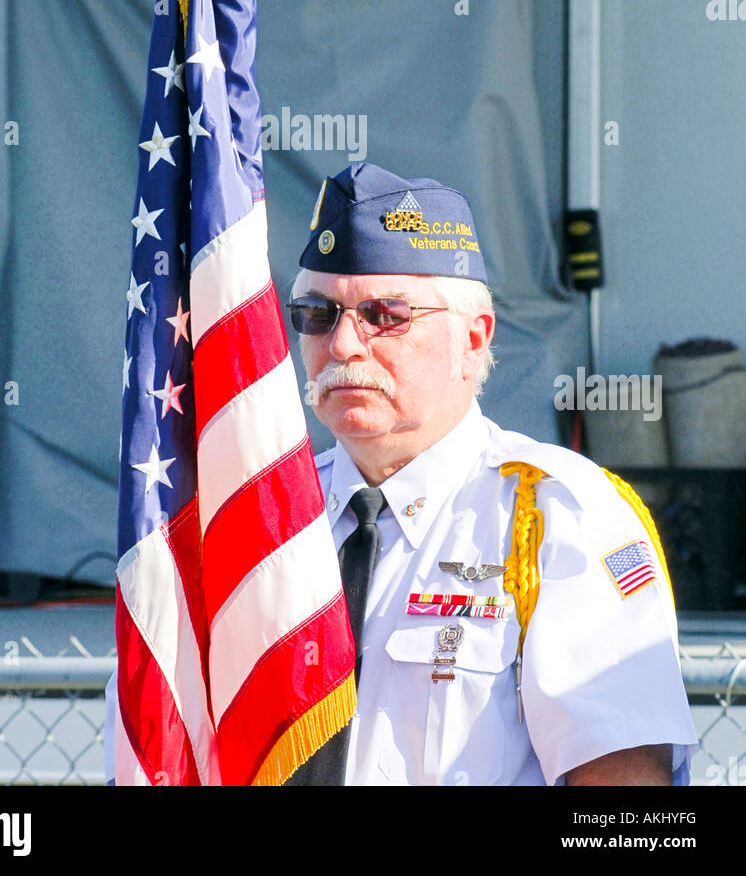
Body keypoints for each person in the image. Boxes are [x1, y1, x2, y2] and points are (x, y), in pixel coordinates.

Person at [283, 161, 697, 787]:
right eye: (318, 314)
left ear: (473, 340)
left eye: (385, 314)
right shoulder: (270, 517)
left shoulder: (555, 516)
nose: (342, 345)